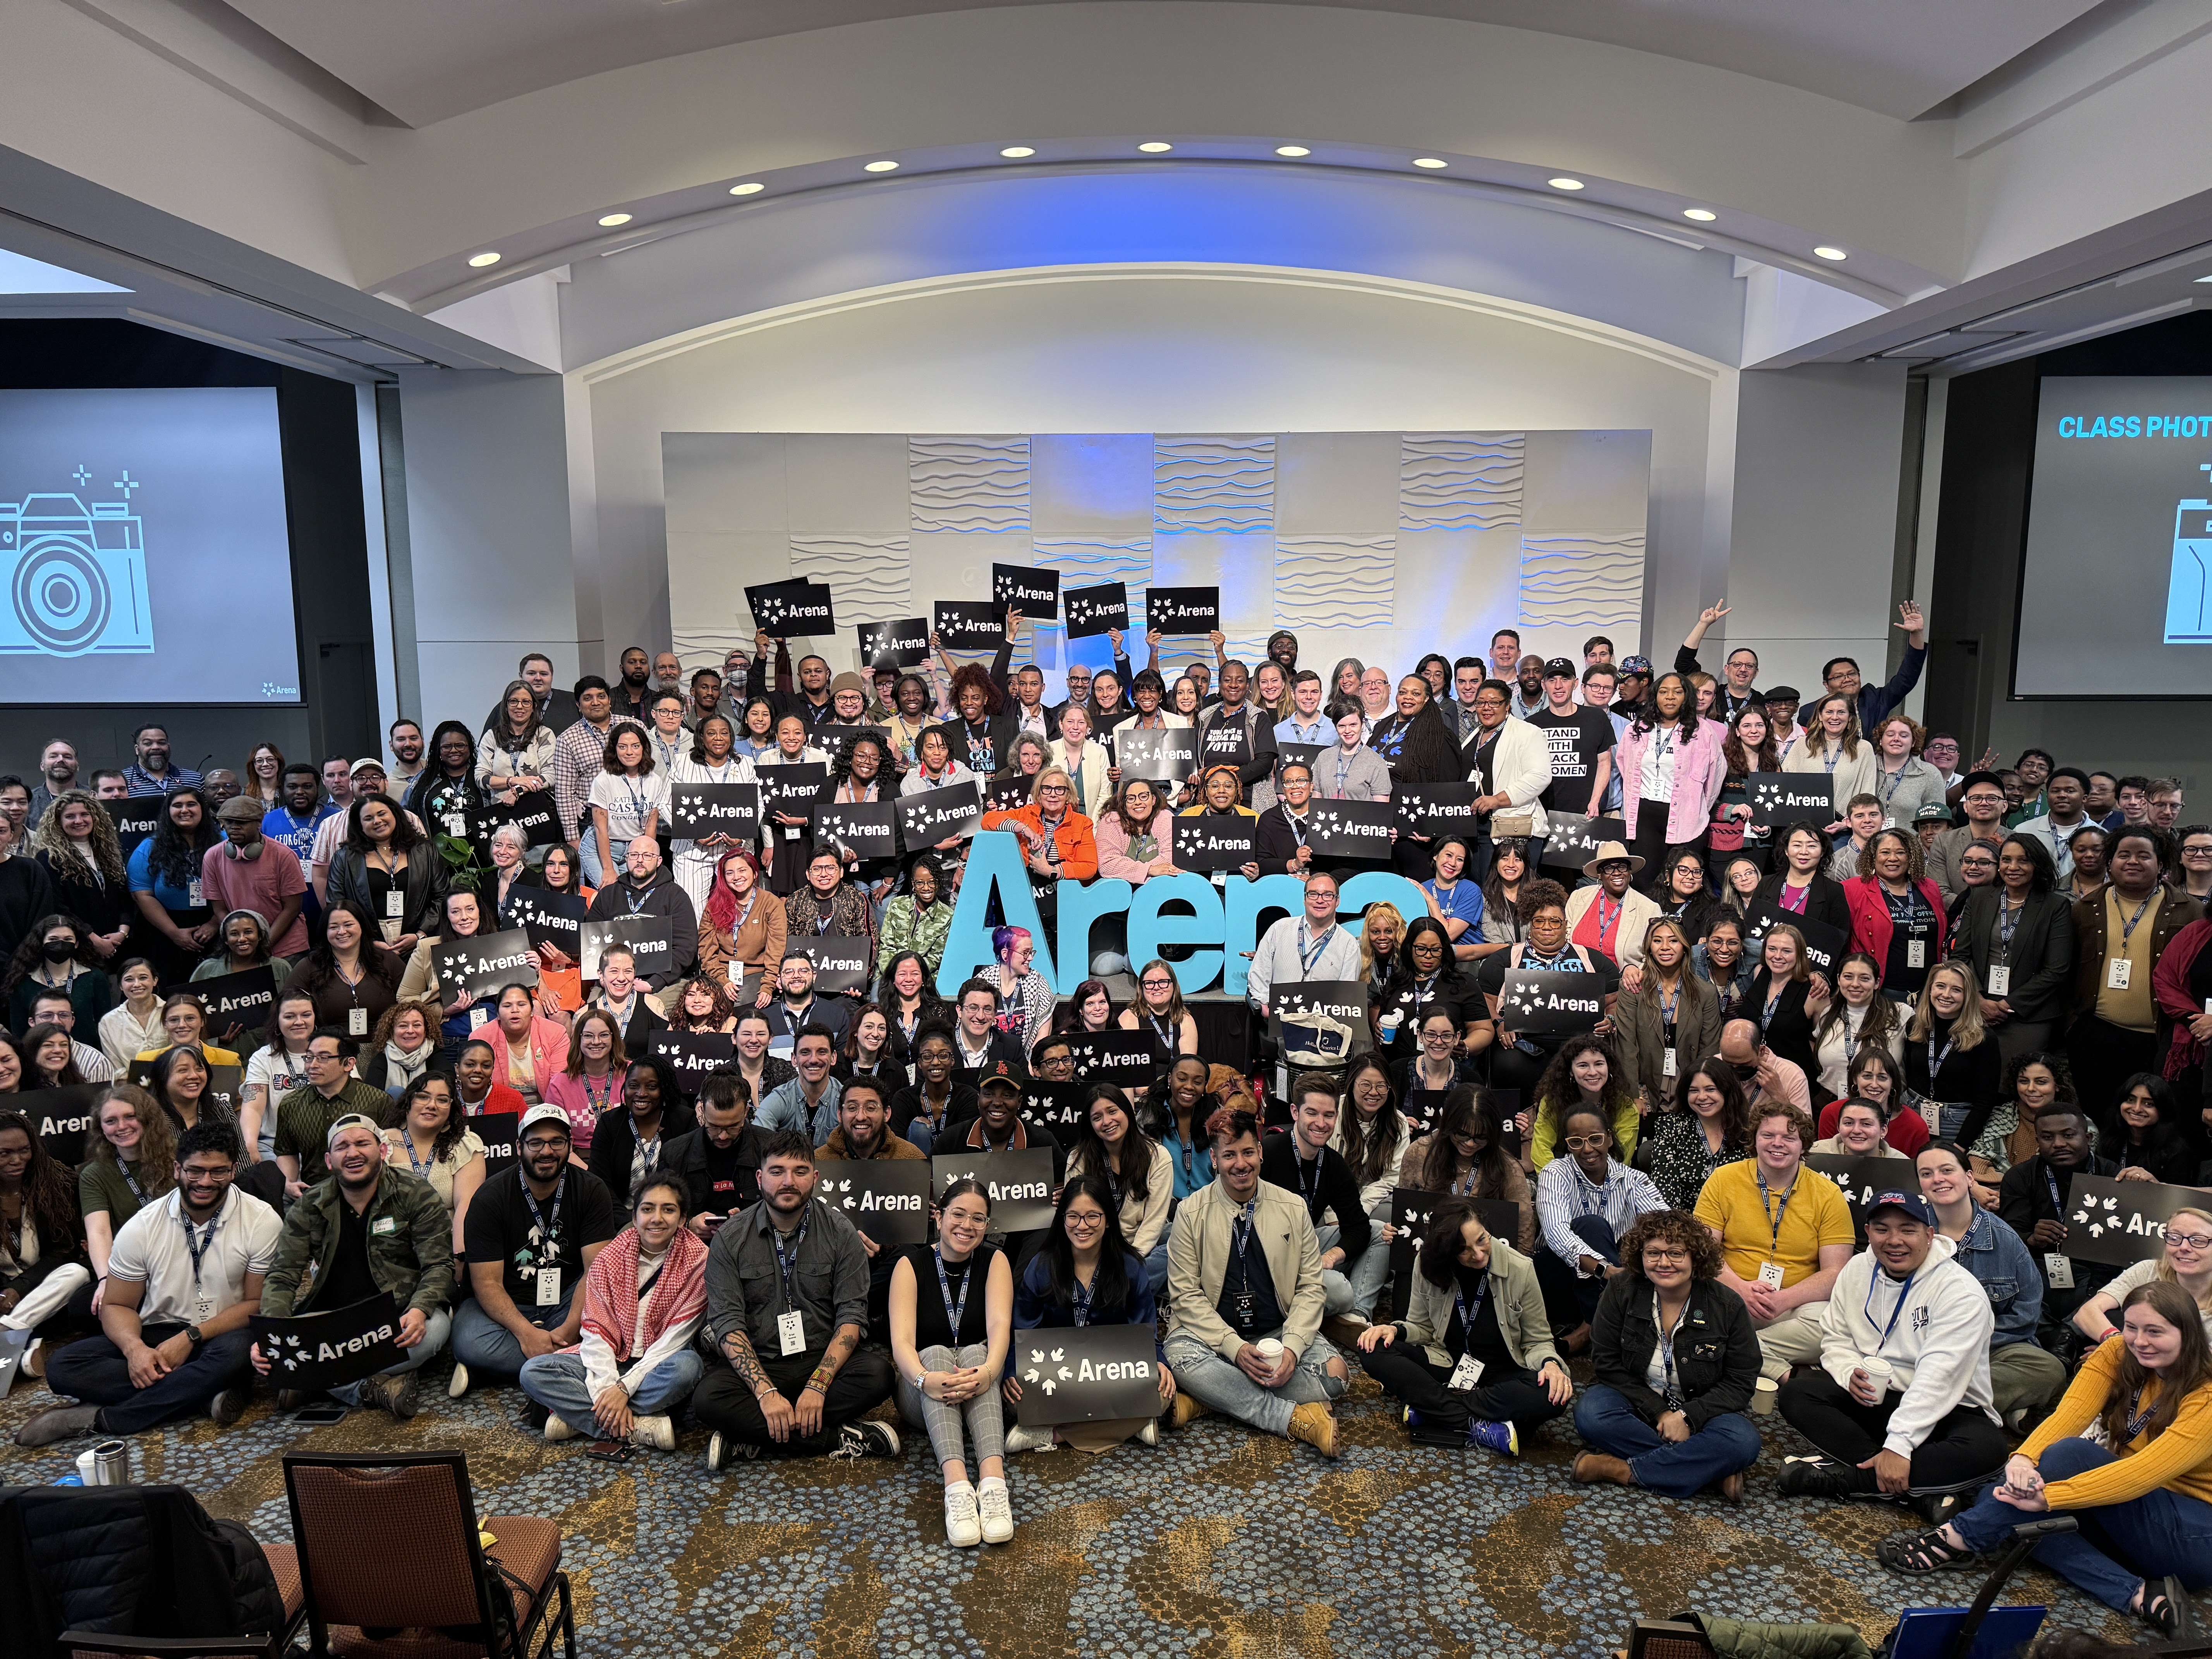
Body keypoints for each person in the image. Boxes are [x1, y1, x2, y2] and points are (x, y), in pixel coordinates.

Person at [1880, 1281, 2211, 1635]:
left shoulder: (2206, 1394)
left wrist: (2050, 1497)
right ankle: (2141, 1595)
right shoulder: (2117, 1352)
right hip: (2131, 1516)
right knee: (2015, 1508)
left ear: (2187, 1334)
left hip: (2191, 1538)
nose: (2139, 1340)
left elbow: (2144, 1473)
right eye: (2132, 1327)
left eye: (2155, 1332)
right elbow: (2069, 1415)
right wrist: (2023, 1460)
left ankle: (1956, 1538)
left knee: (2065, 1461)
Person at [17, 1122, 275, 1447]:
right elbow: (117, 1305)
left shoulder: (261, 1220)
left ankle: (105, 1418)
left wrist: (191, 1337)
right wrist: (135, 1350)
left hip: (224, 1333)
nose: (206, 1182)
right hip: (159, 1331)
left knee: (240, 1351)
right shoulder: (142, 1227)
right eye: (195, 1171)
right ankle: (201, 1394)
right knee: (63, 1366)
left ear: (234, 1171)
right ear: (177, 1168)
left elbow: (256, 1304)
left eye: (218, 1172)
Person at [1775, 1188, 2008, 1511]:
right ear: (1868, 1232)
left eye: (1908, 1230)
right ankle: (1917, 1490)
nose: (1894, 1240)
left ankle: (1851, 1479)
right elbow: (1837, 1336)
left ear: (1930, 1235)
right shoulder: (1857, 1269)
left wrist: (1900, 1445)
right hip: (1879, 1396)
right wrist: (1847, 1372)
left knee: (1988, 1450)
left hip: (1950, 1407)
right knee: (1798, 1393)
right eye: (1882, 1229)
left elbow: (1939, 1378)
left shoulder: (1961, 1294)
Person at [692, 1128, 899, 1468]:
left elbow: (852, 1318)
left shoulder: (840, 1231)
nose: (788, 1182)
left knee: (879, 1375)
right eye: (777, 1172)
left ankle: (751, 1439)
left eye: (800, 1172)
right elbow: (728, 1325)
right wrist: (765, 1392)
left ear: (815, 1178)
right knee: (707, 1399)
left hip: (821, 1360)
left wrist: (818, 1386)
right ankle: (840, 1437)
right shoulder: (730, 1238)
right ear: (760, 1178)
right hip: (761, 1362)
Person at [1164, 1108, 1346, 1455]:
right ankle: (1292, 1419)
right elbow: (1185, 1296)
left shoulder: (1293, 1207)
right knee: (1180, 1356)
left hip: (1277, 1333)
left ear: (1261, 1152)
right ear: (1214, 1160)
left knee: (1337, 1374)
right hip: (1212, 1338)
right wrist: (1233, 1347)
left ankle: (1208, 1400)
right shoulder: (1190, 1213)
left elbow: (1311, 1287)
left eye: (1248, 1152)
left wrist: (1293, 1346)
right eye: (1229, 1155)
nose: (1241, 1164)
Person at [254, 1115, 456, 1418]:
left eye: (363, 1143)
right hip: (335, 1319)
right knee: (263, 1348)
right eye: (342, 1147)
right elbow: (283, 1276)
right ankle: (367, 1387)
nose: (353, 1153)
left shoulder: (416, 1194)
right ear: (329, 1160)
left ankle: (311, 1379)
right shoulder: (310, 1205)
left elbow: (439, 1265)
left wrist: (419, 1310)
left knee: (435, 1330)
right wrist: (273, 1333)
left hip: (397, 1315)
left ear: (383, 1151)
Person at [1356, 1195, 1571, 1455]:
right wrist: (1394, 1329)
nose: (1478, 1254)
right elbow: (1422, 1328)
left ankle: (1432, 1408)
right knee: (1373, 1347)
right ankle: (1476, 1424)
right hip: (1447, 1364)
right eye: (1465, 1250)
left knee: (1554, 1393)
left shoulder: (1521, 1269)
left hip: (1504, 1375)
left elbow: (1538, 1341)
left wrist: (1551, 1364)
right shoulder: (1428, 1265)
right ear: (1447, 1250)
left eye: (1482, 1240)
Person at [1572, 1207, 1763, 1499]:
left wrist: (1687, 1417)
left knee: (1743, 1441)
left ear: (1695, 1258)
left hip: (1703, 1411)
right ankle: (1710, 1471)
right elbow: (1606, 1363)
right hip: (1634, 1401)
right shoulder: (1622, 1290)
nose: (1664, 1263)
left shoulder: (1727, 1306)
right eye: (1653, 1253)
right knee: (1590, 1414)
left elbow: (1740, 1382)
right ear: (1641, 1256)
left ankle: (1619, 1469)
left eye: (1676, 1253)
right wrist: (1661, 1412)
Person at [517, 1173, 708, 1453]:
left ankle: (580, 1418)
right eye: (647, 1209)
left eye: (668, 1210)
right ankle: (638, 1426)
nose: (657, 1218)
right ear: (634, 1217)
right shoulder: (609, 1257)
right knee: (533, 1371)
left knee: (688, 1368)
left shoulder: (699, 1261)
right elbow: (595, 1334)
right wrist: (607, 1389)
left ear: (682, 1220)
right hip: (610, 1359)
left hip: (659, 1364)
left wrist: (623, 1390)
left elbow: (675, 1341)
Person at [454, 1104, 620, 1397]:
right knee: (469, 1340)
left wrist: (570, 1330)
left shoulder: (592, 1190)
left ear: (570, 1146)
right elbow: (487, 1283)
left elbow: (595, 1272)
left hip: (566, 1302)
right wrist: (526, 1333)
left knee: (617, 1318)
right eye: (536, 1143)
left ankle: (499, 1368)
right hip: (506, 1308)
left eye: (557, 1142)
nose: (547, 1151)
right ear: (519, 1147)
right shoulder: (490, 1198)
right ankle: (572, 1363)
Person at [888, 1177, 1016, 1546]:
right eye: (958, 1215)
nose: (967, 1226)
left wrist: (989, 1372)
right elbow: (902, 1344)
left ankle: (993, 1486)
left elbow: (999, 1329)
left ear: (987, 1226)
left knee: (980, 1353)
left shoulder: (995, 1260)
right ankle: (958, 1487)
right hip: (921, 1392)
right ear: (939, 1217)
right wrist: (926, 1379)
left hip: (980, 1389)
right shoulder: (910, 1264)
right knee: (935, 1355)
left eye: (978, 1219)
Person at [1006, 1175, 1173, 1455]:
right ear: (1062, 1220)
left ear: (1108, 1221)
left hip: (1111, 1371)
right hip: (1057, 1373)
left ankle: (1054, 1434)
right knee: (1015, 1401)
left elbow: (1144, 1328)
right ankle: (1130, 1424)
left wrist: (1159, 1361)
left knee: (1163, 1393)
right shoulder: (1042, 1266)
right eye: (1073, 1216)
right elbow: (1023, 1333)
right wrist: (1012, 1370)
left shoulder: (1130, 1266)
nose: (1082, 1226)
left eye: (1093, 1216)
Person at [1908, 1138, 2066, 1430]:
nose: (1938, 1179)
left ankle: (1929, 1401)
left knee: (2050, 1369)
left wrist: (1966, 1346)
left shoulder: (2006, 1241)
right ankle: (1998, 1412)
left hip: (1992, 1348)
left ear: (1969, 1178)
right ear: (1920, 1184)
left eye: (1947, 1170)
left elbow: (2027, 1314)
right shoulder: (1908, 1234)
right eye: (1927, 1174)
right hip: (1920, 1345)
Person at [1693, 1101, 1854, 1378]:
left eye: (1789, 1138)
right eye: (1768, 1136)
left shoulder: (1828, 1194)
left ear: (1803, 1146)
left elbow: (1836, 1272)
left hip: (1793, 1307)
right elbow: (1703, 1251)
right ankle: (1778, 1371)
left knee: (1831, 1325)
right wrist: (1742, 1290)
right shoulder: (1723, 1179)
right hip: (1728, 1294)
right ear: (1754, 1140)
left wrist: (1784, 1299)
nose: (1777, 1144)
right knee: (1690, 1309)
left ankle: (1732, 1353)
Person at [2071, 826, 2201, 1124]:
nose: (2132, 862)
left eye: (2144, 856)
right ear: (2110, 862)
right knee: (2101, 1118)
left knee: (2153, 1122)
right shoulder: (2085, 908)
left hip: (2159, 1039)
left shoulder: (2189, 911)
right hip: (2096, 1034)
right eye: (2124, 855)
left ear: (2162, 865)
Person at [1474, 878, 1625, 1096]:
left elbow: (1614, 1001)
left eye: (1555, 921)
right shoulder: (1505, 959)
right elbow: (1484, 1001)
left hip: (1579, 1045)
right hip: (1523, 1045)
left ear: (1566, 925)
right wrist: (1499, 1023)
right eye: (1539, 921)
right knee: (1509, 1064)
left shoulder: (1594, 961)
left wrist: (1610, 1020)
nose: (1547, 927)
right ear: (1530, 924)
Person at [1532, 1106, 1669, 1341]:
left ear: (1609, 1138)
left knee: (1639, 1241)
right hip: (1559, 1277)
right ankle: (1613, 1329)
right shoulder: (1555, 1173)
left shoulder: (1633, 1179)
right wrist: (1605, 1270)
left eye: (1595, 1139)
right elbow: (1556, 1234)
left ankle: (1592, 1328)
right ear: (1567, 1145)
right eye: (1576, 1142)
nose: (1587, 1149)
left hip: (1615, 1282)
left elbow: (1666, 1226)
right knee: (1591, 1226)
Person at [1258, 1079, 1377, 1331]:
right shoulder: (1267, 1153)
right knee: (1339, 1291)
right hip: (1268, 1256)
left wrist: (1332, 1256)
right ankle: (1321, 1313)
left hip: (1308, 1244)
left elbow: (1358, 1227)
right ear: (1295, 1112)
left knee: (1378, 1231)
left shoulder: (1333, 1164)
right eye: (1312, 1113)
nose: (1321, 1124)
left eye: (1329, 1115)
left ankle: (1356, 1316)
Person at [1999, 1101, 2119, 1343]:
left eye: (2068, 1135)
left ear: (2087, 1137)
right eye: (2047, 1137)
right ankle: (2055, 1341)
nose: (2058, 1144)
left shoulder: (2112, 1176)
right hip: (2038, 1272)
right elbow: (2009, 1241)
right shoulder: (2019, 1177)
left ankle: (2066, 1338)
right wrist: (2030, 1239)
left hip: (2096, 1276)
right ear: (2037, 1141)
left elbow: (2119, 1251)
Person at [1065, 1083, 1175, 1294]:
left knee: (1177, 1247)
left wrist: (1129, 1262)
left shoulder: (1158, 1157)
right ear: (1090, 1124)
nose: (1107, 1122)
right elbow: (1079, 1221)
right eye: (1097, 1118)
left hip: (1141, 1249)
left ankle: (1112, 1292)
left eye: (1113, 1111)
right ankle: (1122, 1292)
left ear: (1128, 1111)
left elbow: (1153, 1224)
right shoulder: (1078, 1160)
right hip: (1095, 1247)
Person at [1613, 673, 1725, 880]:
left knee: (1682, 882)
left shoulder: (1704, 733)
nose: (1670, 697)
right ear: (1656, 696)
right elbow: (1624, 765)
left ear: (1687, 697)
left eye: (1678, 692)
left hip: (1687, 818)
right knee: (1644, 881)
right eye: (1664, 692)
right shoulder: (1636, 729)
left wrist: (1697, 806)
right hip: (1644, 817)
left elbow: (1715, 777)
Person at [1609, 917, 1722, 1110]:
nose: (1665, 947)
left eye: (1673, 940)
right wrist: (1633, 1096)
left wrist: (1695, 1094)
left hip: (1691, 1090)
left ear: (1685, 946)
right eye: (1657, 940)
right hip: (1646, 1089)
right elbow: (1626, 1046)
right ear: (1649, 947)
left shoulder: (1706, 992)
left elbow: (1709, 1051)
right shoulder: (1634, 988)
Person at [1907, 962, 2009, 1175]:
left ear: (1968, 996)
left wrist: (1960, 1146)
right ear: (1930, 989)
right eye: (1940, 986)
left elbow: (1985, 1102)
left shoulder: (1984, 1039)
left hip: (1955, 1125)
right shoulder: (1915, 1025)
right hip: (1914, 1115)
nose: (1946, 995)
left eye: (1956, 990)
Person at [273, 1030, 395, 1197]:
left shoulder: (377, 1101)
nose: (312, 1065)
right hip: (313, 1194)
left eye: (324, 1058)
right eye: (309, 1057)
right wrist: (288, 1183)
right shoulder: (291, 1104)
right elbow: (287, 1152)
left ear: (348, 1064)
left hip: (369, 1192)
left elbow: (391, 1150)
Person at [2074, 1204, 2212, 1347]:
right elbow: (2087, 1313)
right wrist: (2116, 1347)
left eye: (2198, 1240)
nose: (2184, 1247)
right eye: (2174, 1237)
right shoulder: (2149, 1271)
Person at [326, 794, 446, 955]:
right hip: (366, 945)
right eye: (368, 818)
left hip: (421, 941)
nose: (377, 821)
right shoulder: (344, 858)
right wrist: (366, 942)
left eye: (382, 814)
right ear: (360, 825)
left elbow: (442, 896)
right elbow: (336, 904)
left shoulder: (425, 851)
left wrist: (420, 935)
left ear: (395, 814)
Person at [380, 1070, 486, 1253]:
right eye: (423, 1097)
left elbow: (466, 1209)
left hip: (444, 1249)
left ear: (451, 1108)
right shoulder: (381, 1143)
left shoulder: (465, 1144)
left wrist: (459, 1258)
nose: (432, 1105)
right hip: (391, 1249)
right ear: (408, 1102)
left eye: (443, 1100)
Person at [1843, 827, 1945, 1006]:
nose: (1893, 858)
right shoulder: (1852, 890)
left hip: (1929, 994)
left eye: (1901, 853)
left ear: (1911, 856)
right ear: (1873, 857)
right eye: (1885, 853)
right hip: (1881, 993)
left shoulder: (1930, 887)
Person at [585, 836, 697, 995]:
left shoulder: (675, 896)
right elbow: (591, 943)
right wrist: (605, 976)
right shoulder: (608, 895)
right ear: (627, 859)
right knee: (590, 1016)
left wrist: (654, 983)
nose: (640, 860)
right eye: (634, 855)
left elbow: (685, 948)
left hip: (663, 982)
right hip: (613, 981)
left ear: (659, 861)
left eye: (647, 856)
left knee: (652, 1012)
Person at [31, 791, 133, 965]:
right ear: (58, 822)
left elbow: (125, 898)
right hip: (79, 948)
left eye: (85, 815)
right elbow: (58, 907)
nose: (79, 821)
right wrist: (95, 940)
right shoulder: (49, 858)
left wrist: (122, 933)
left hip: (118, 946)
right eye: (70, 816)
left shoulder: (108, 854)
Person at [126, 787, 215, 983]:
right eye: (178, 806)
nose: (185, 810)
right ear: (168, 812)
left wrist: (215, 924)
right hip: (164, 932)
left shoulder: (222, 843)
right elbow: (143, 895)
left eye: (192, 804)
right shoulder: (150, 847)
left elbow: (236, 888)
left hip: (214, 928)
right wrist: (175, 934)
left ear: (202, 809)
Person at [1642, 1058, 1753, 1211]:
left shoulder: (1749, 1130)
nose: (1702, 1097)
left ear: (1727, 1090)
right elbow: (1666, 1194)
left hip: (1737, 1223)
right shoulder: (1671, 1128)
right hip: (1686, 1226)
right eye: (1694, 1091)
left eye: (1710, 1089)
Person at [1807, 950, 1905, 1101]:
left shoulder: (1900, 1014)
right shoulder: (1828, 1014)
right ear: (1839, 980)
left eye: (1865, 979)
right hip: (1829, 1102)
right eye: (1848, 977)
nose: (1855, 984)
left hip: (1880, 1103)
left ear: (1877, 983)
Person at [2, 910, 115, 1037]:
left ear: (77, 944)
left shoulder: (94, 977)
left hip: (87, 1054)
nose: (61, 944)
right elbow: (19, 1032)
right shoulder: (22, 982)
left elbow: (105, 1024)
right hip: (39, 1054)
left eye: (68, 939)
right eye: (53, 939)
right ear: (41, 942)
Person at [1526, 657, 1613, 821]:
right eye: (1552, 680)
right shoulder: (1532, 725)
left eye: (1565, 679)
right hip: (1543, 815)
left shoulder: (1596, 718)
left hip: (1586, 813)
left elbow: (1604, 762)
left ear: (1575, 683)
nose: (1558, 686)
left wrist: (1595, 801)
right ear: (1544, 686)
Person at [1756, 821, 1851, 938]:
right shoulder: (1766, 884)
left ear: (1822, 851)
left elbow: (1839, 939)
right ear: (1786, 850)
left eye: (1812, 846)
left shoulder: (1833, 891)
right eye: (1797, 845)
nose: (1804, 852)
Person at [1930, 773, 2013, 903]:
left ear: (2004, 806)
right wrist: (1971, 909)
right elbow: (1938, 889)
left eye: (1992, 798)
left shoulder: (2016, 841)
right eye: (1976, 798)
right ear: (1965, 806)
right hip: (1955, 917)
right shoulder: (1944, 842)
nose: (1984, 803)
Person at [2101, 1072, 2195, 1185]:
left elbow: (2181, 1198)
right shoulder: (2109, 1141)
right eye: (2131, 1100)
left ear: (2163, 1110)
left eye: (2148, 1104)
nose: (2137, 1109)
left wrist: (2156, 1186)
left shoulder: (2177, 1152)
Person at [97, 958, 163, 1070]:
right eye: (129, 980)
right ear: (121, 986)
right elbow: (116, 1068)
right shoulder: (108, 1022)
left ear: (155, 981)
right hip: (130, 1086)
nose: (137, 984)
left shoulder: (172, 1012)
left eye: (143, 978)